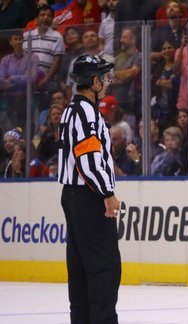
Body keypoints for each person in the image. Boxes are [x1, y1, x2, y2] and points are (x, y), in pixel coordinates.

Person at [58, 54, 121, 323]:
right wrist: (107, 192)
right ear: (94, 82)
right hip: (89, 197)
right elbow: (88, 159)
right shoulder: (85, 113)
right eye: (103, 77)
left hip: (74, 196)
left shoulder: (72, 110)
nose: (107, 82)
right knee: (104, 269)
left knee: (81, 270)